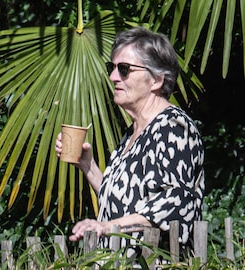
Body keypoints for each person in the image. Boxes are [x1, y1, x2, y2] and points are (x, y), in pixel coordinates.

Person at [54, 27, 204, 251]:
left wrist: (106, 226)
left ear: (156, 80)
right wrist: (89, 167)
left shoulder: (173, 128)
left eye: (124, 69)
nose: (113, 77)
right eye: (111, 68)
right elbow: (122, 203)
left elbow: (172, 204)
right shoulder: (132, 133)